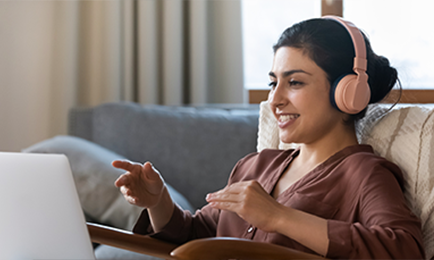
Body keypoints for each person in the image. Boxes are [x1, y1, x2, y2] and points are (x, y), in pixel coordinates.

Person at [112, 16, 425, 259]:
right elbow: (198, 234)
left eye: (295, 83)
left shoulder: (364, 174)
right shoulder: (255, 166)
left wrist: (280, 217)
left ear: (348, 94)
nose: (274, 100)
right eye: (273, 82)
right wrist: (158, 202)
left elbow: (404, 249)